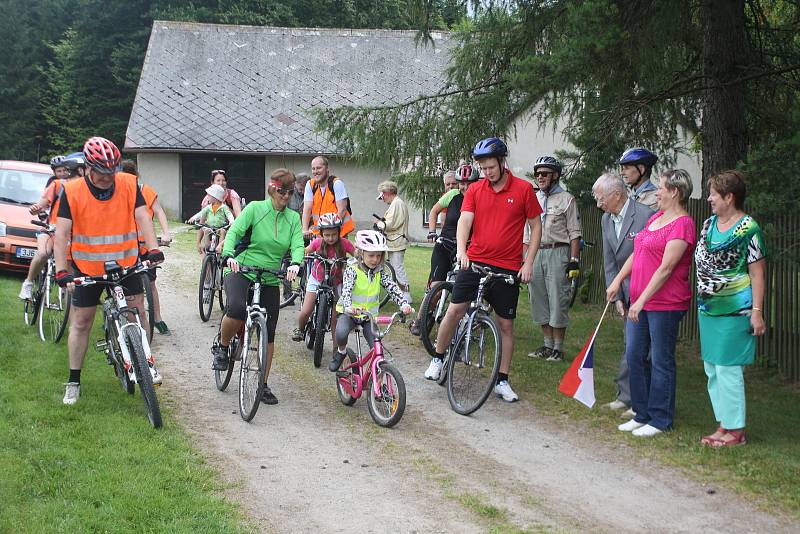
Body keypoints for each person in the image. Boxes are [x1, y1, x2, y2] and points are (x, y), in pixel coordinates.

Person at [424, 137, 542, 402]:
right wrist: (462, 251)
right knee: (454, 310)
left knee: (506, 325)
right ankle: (438, 358)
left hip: (508, 267)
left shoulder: (523, 190)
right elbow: (465, 221)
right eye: (483, 167)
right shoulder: (476, 190)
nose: (487, 172)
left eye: (490, 167)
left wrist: (529, 262)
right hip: (474, 261)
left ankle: (502, 380)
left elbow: (536, 227)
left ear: (502, 162)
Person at [54, 137, 164, 405]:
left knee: (138, 311)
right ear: (87, 168)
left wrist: (152, 249)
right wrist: (61, 270)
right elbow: (61, 234)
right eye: (101, 173)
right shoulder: (72, 191)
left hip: (126, 263)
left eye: (111, 172)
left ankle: (146, 363)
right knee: (82, 322)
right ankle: (74, 381)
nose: (107, 178)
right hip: (87, 267)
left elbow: (142, 216)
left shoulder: (127, 183)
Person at [606, 169, 696, 437]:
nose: (657, 192)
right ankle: (641, 412)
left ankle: (659, 418)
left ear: (674, 192)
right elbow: (638, 252)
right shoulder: (656, 217)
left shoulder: (683, 224)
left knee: (661, 359)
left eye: (661, 187)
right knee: (634, 355)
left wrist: (641, 301)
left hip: (664, 304)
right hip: (640, 301)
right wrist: (618, 280)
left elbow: (667, 268)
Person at [213, 168, 304, 405]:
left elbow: (297, 245)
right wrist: (229, 254)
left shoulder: (293, 218)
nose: (286, 196)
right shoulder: (255, 209)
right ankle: (223, 347)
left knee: (270, 332)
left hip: (270, 276)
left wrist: (295, 263)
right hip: (241, 268)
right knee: (235, 308)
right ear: (272, 189)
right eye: (282, 191)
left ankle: (262, 384)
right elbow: (234, 232)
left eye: (290, 192)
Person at [695, 170, 766, 447]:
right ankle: (723, 424)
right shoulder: (708, 224)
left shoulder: (749, 228)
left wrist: (757, 311)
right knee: (712, 368)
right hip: (708, 309)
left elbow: (757, 273)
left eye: (714, 193)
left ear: (729, 197)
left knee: (728, 369)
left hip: (735, 311)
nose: (710, 198)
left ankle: (736, 431)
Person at [592, 173, 655, 417]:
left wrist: (637, 295)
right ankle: (626, 395)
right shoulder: (606, 219)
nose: (598, 205)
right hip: (623, 289)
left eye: (601, 199)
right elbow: (609, 261)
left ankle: (640, 400)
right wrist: (616, 295)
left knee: (642, 348)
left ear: (616, 194)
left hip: (645, 289)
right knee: (630, 345)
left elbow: (649, 258)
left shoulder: (645, 215)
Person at [410, 163, 480, 335]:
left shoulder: (481, 197)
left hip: (466, 248)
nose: (465, 187)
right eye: (462, 183)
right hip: (445, 244)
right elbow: (433, 211)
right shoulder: (452, 195)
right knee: (436, 286)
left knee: (461, 289)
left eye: (469, 183)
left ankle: (460, 326)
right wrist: (432, 231)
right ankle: (420, 320)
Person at [329, 230, 412, 372]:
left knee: (377, 348)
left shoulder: (380, 272)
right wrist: (348, 307)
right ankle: (341, 352)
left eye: (379, 256)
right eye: (371, 255)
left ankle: (377, 378)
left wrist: (404, 303)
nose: (375, 260)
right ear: (361, 253)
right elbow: (347, 289)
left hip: (369, 317)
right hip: (350, 314)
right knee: (341, 333)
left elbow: (392, 288)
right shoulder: (352, 270)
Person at [526, 156, 582, 362]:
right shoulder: (534, 198)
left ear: (555, 175)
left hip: (558, 252)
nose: (540, 177)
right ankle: (547, 344)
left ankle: (558, 348)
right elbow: (527, 231)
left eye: (545, 174)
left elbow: (575, 233)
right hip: (536, 252)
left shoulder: (567, 199)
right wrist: (525, 260)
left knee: (558, 299)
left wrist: (574, 260)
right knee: (538, 298)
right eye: (538, 174)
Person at [19, 153, 84, 300]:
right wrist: (36, 208)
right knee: (43, 253)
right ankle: (28, 283)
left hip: (70, 234)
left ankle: (70, 303)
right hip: (50, 229)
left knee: (71, 269)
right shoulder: (57, 185)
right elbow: (42, 203)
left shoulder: (83, 189)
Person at [122, 159, 173, 336]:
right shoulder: (117, 192)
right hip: (126, 246)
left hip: (145, 246)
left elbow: (159, 211)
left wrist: (166, 233)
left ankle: (157, 318)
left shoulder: (144, 190)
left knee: (151, 283)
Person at [292, 212, 355, 344]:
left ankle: (336, 349)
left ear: (339, 232)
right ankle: (300, 328)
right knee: (306, 310)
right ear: (321, 234)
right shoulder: (317, 243)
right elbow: (305, 251)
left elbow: (357, 253)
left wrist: (360, 258)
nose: (330, 238)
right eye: (327, 235)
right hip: (316, 279)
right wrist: (299, 256)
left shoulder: (344, 244)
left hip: (337, 281)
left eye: (333, 234)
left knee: (335, 317)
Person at [374, 181, 412, 305]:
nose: (383, 199)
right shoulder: (396, 204)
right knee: (395, 268)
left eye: (383, 195)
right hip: (394, 241)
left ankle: (406, 295)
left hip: (397, 241)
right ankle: (399, 293)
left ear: (387, 193)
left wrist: (380, 224)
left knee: (397, 267)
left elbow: (391, 223)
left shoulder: (397, 204)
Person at [301, 156, 355, 238]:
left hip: (337, 233)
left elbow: (342, 210)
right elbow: (307, 209)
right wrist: (304, 230)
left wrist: (329, 231)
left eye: (318, 168)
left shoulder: (336, 183)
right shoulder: (310, 185)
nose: (315, 171)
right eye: (313, 168)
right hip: (320, 233)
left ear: (327, 169)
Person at [187, 184, 235, 254]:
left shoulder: (223, 207)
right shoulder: (208, 207)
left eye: (209, 196)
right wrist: (193, 218)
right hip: (209, 227)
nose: (207, 197)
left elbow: (229, 214)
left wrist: (231, 220)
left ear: (215, 197)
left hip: (220, 227)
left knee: (222, 232)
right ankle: (207, 246)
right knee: (206, 230)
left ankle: (219, 247)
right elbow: (201, 213)